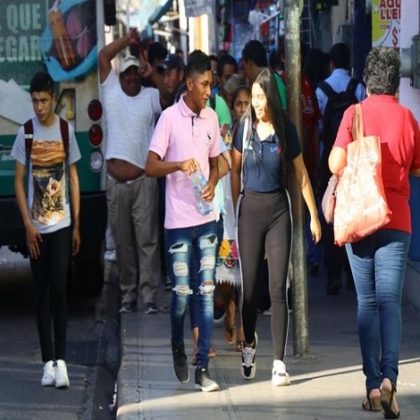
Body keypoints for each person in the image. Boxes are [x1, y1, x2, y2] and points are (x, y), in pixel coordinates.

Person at [329, 46, 420, 419]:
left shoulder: (355, 113)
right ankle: (389, 379)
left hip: (360, 218)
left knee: (367, 303)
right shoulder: (408, 118)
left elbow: (335, 163)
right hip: (396, 220)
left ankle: (370, 385)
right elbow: (416, 169)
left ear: (366, 80)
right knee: (390, 303)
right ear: (396, 80)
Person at [231, 68, 321, 386]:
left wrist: (314, 215)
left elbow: (301, 176)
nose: (254, 103)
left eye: (259, 97)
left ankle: (279, 363)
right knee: (251, 292)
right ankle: (251, 344)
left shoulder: (287, 131)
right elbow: (234, 170)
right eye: (252, 97)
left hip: (279, 212)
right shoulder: (243, 130)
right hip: (250, 212)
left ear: (271, 97)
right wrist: (235, 211)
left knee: (277, 289)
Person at [145, 50, 221, 392]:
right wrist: (177, 165)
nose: (209, 90)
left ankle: (202, 366)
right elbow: (150, 166)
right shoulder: (169, 119)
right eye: (204, 84)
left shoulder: (212, 119)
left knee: (206, 293)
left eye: (211, 84)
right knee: (180, 295)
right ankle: (177, 341)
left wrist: (213, 182)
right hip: (177, 224)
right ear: (189, 84)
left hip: (207, 221)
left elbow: (219, 161)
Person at [11, 71, 81, 388]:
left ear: (53, 97)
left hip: (62, 226)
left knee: (60, 293)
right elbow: (18, 180)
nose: (39, 107)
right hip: (37, 229)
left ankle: (62, 362)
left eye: (43, 100)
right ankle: (47, 363)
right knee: (41, 294)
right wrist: (27, 224)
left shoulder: (66, 131)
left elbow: (75, 179)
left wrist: (77, 224)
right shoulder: (26, 133)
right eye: (34, 101)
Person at [99, 28, 171, 314]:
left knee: (148, 242)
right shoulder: (111, 92)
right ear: (120, 76)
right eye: (126, 72)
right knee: (123, 245)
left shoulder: (150, 96)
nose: (130, 77)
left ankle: (149, 297)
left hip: (143, 181)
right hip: (116, 184)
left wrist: (152, 73)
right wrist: (127, 42)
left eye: (134, 73)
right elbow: (104, 56)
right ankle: (128, 296)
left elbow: (168, 96)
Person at [315, 42, 366, 294]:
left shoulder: (321, 90)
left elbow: (318, 128)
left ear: (331, 63)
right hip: (356, 164)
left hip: (330, 163)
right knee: (355, 215)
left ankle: (333, 271)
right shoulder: (358, 88)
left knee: (330, 214)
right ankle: (352, 270)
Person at [216, 83, 250, 352]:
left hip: (249, 209)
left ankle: (242, 327)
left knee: (247, 277)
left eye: (246, 103)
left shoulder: (258, 134)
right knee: (226, 278)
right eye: (238, 104)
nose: (242, 108)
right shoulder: (225, 135)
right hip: (227, 209)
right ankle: (228, 306)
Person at [241, 40, 287, 111]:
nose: (245, 71)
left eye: (244, 65)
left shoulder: (272, 80)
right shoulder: (274, 78)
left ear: (250, 63)